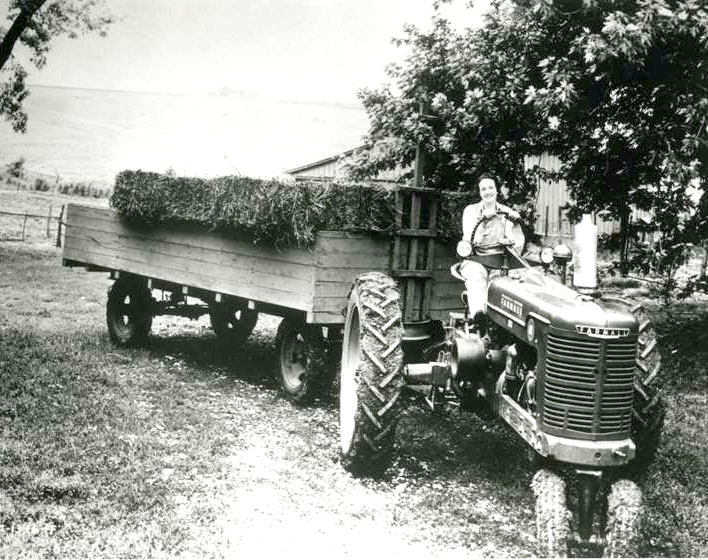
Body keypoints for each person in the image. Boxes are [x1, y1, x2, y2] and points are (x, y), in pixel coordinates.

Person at [457, 174, 524, 318]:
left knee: (503, 282)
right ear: (480, 192)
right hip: (476, 258)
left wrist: (512, 227)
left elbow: (515, 240)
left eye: (490, 188)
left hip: (499, 260)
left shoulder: (506, 212)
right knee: (477, 276)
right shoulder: (470, 210)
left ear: (496, 190)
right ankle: (479, 316)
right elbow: (468, 238)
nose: (488, 192)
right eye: (483, 189)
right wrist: (483, 219)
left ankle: (501, 324)